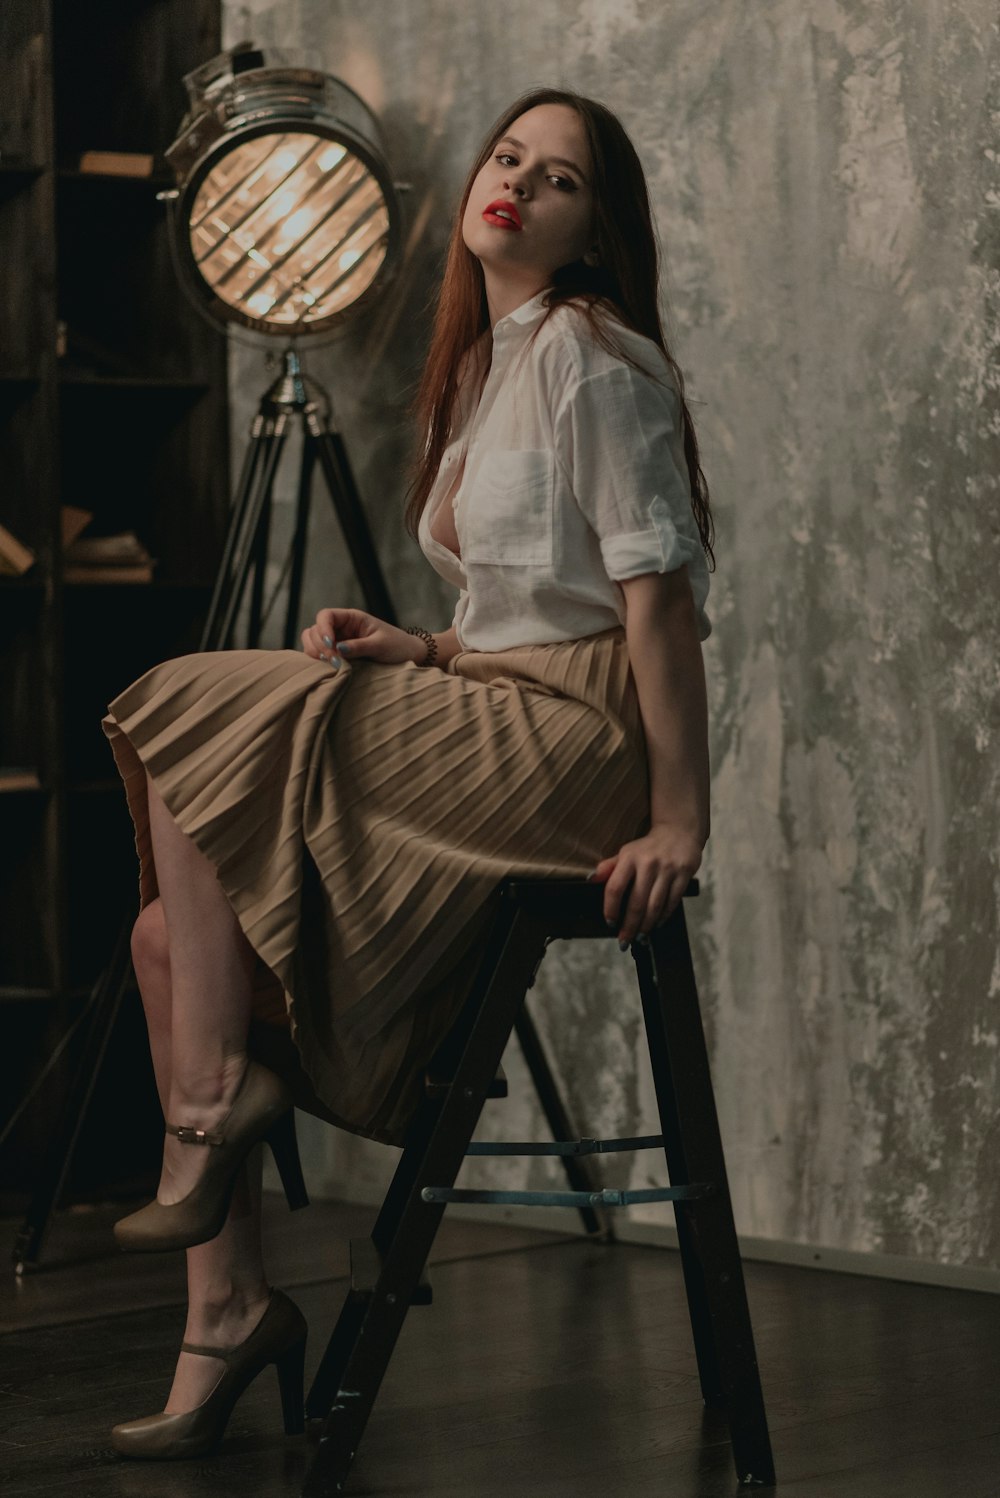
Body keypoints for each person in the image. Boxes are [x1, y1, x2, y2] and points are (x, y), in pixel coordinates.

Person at [102, 85, 715, 1460]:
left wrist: (682, 813)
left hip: (581, 741)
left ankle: (210, 1115)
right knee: (164, 933)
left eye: (555, 179)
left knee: (195, 710)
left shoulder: (590, 353)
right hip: (496, 697)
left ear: (592, 226)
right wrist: (423, 644)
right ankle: (227, 1309)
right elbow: (523, 604)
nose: (513, 183)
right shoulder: (495, 359)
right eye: (506, 157)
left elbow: (652, 606)